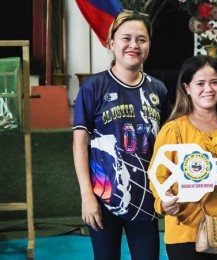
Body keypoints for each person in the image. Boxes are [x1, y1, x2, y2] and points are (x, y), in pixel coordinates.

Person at [72, 10, 171, 260]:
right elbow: (80, 144)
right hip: (104, 199)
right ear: (112, 43)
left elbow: (169, 144)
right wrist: (87, 195)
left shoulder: (158, 89)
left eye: (141, 39)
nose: (133, 45)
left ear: (149, 45)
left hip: (146, 200)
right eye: (126, 38)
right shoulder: (93, 87)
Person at [148, 55, 217, 260]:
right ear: (187, 88)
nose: (208, 89)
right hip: (183, 230)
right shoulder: (173, 130)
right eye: (200, 83)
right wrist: (163, 202)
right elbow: (157, 175)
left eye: (214, 82)